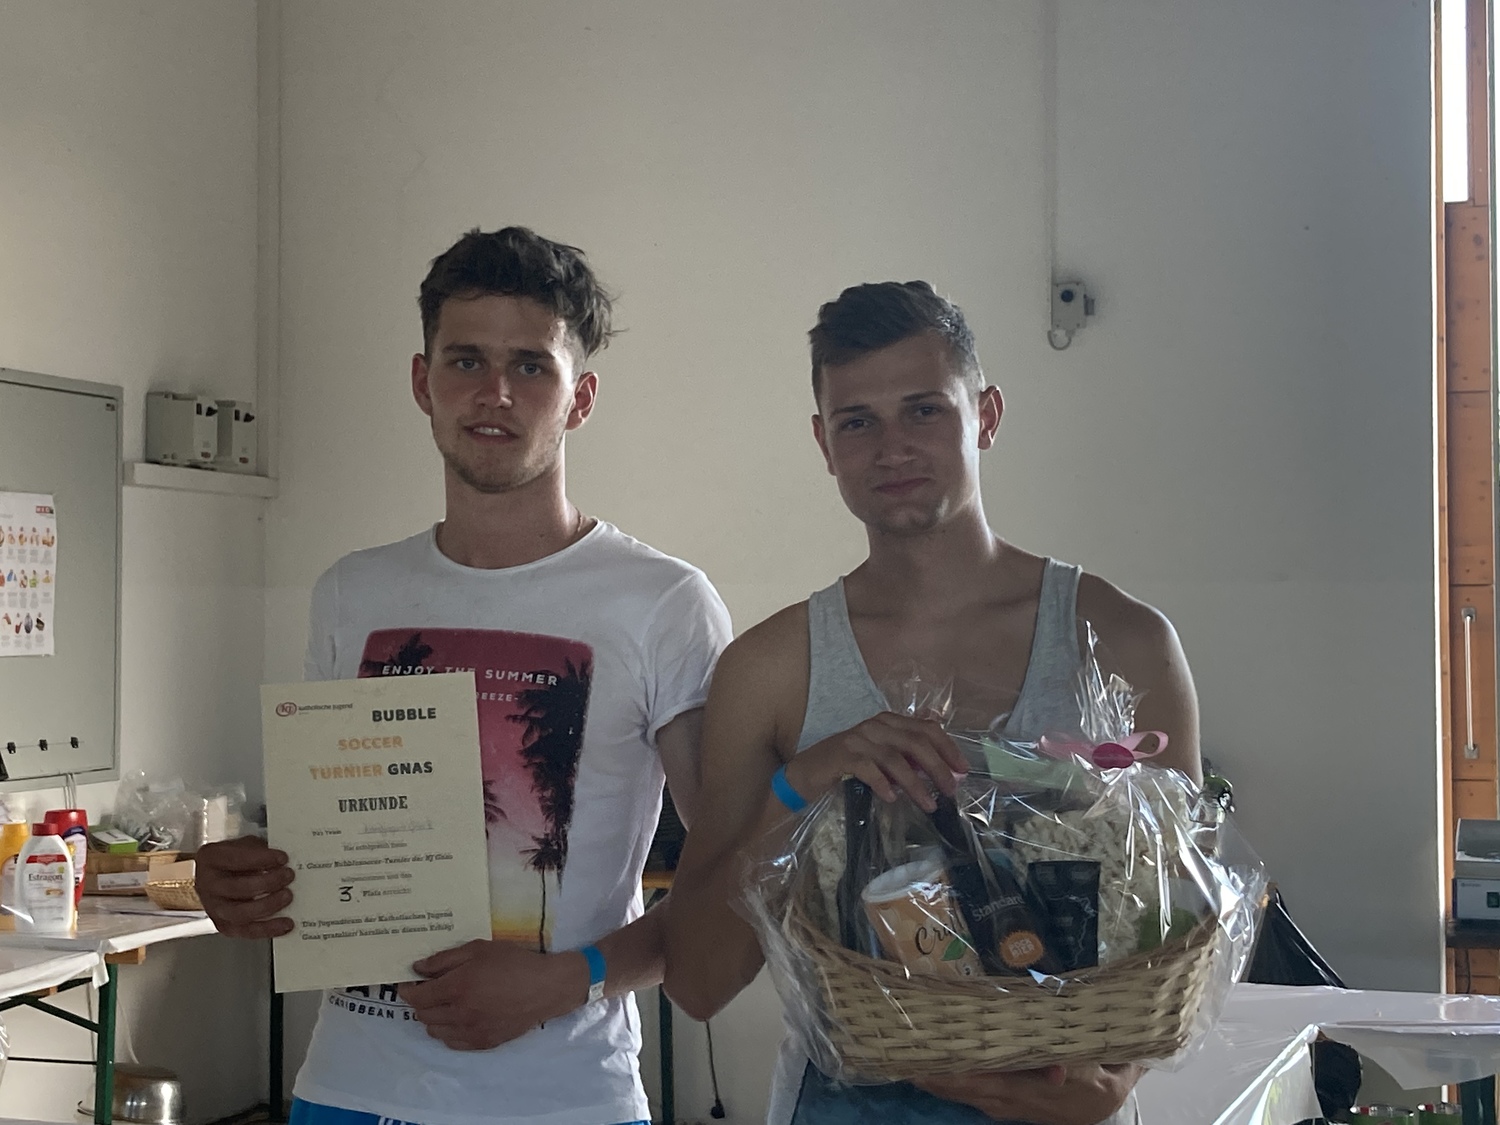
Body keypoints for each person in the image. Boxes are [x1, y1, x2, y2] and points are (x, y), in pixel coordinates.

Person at [196, 226, 732, 1125]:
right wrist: (244, 886)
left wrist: (568, 978)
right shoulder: (351, 593)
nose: (495, 393)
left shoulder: (662, 603)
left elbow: (736, 880)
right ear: (423, 382)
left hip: (564, 1102)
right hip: (346, 1089)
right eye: (467, 360)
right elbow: (332, 844)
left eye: (531, 366)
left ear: (580, 397)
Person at [663, 281, 1201, 1125]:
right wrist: (802, 784)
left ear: (986, 415)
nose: (892, 448)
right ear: (824, 442)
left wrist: (1117, 1080)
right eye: (857, 421)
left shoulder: (1123, 641)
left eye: (923, 410)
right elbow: (697, 981)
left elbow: (1182, 929)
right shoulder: (771, 670)